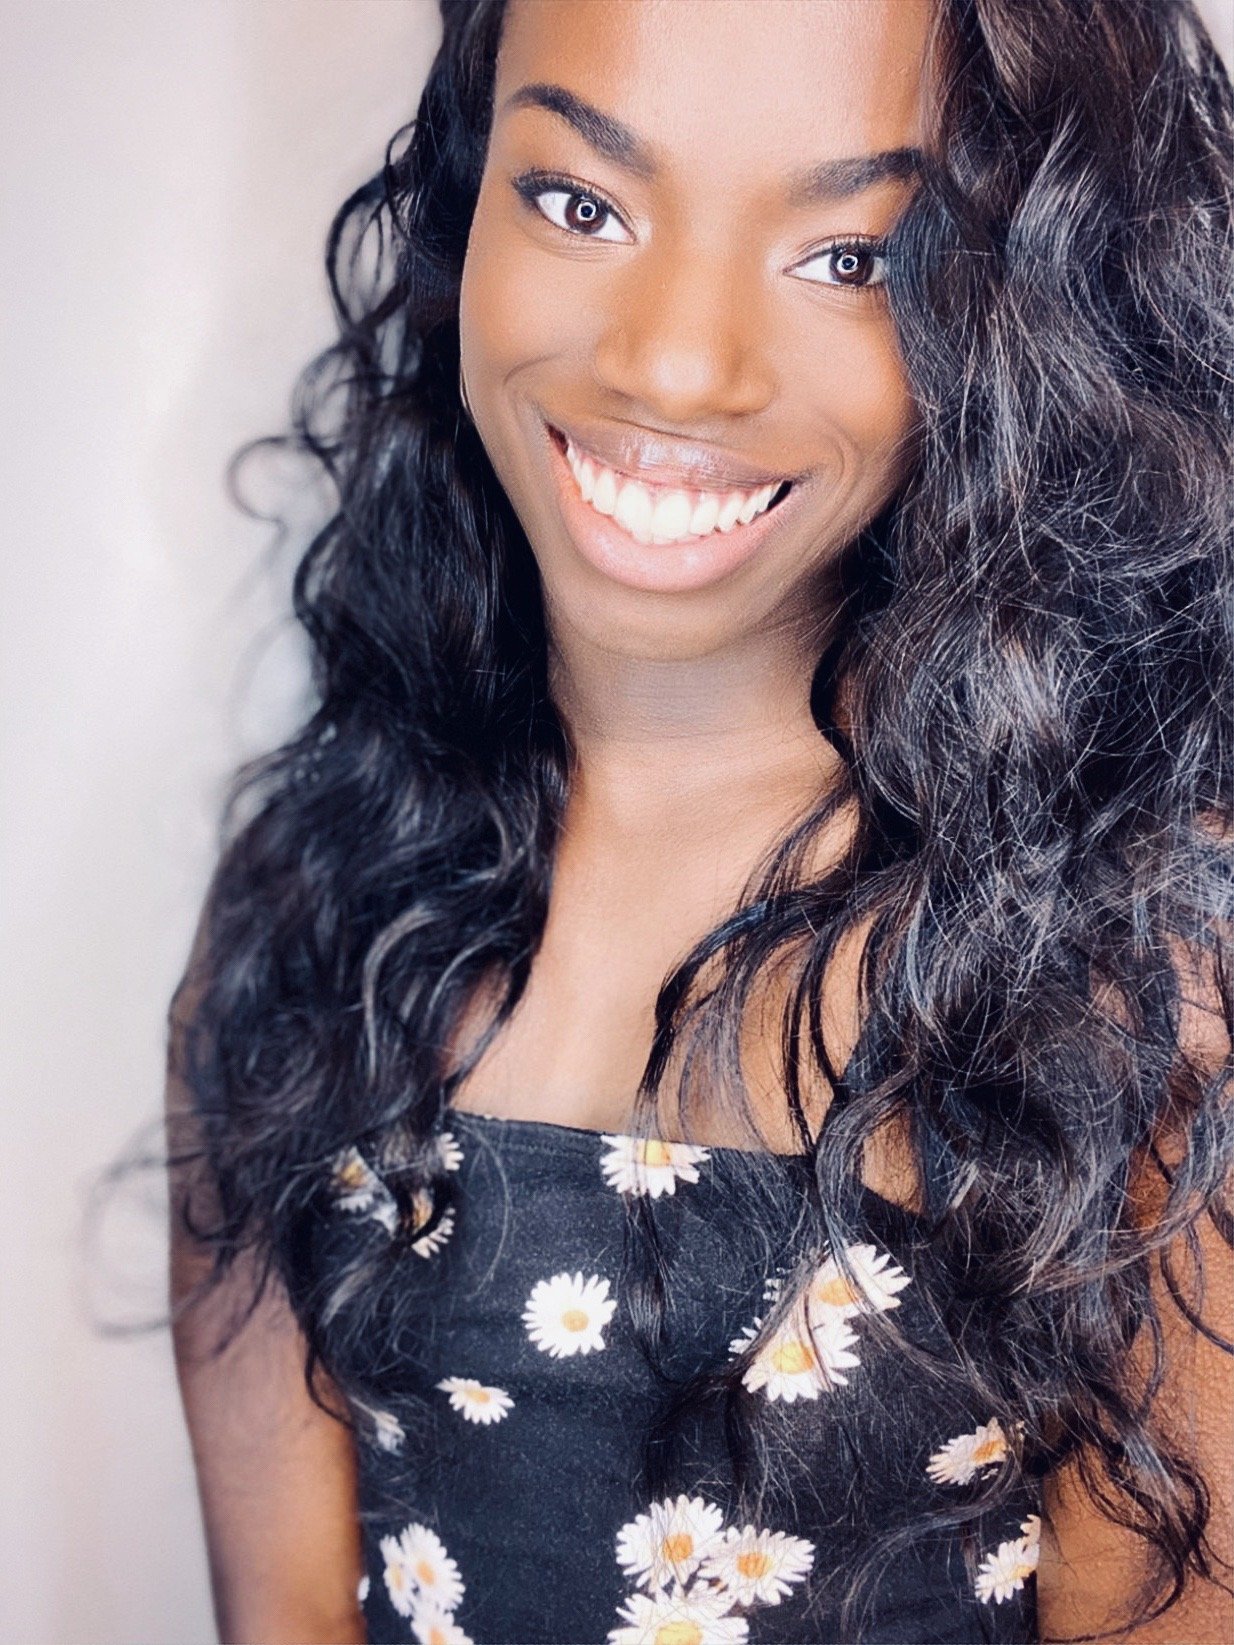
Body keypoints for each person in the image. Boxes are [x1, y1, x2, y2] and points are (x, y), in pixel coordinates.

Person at [165, 1, 1234, 1641]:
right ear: (461, 198)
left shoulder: (1134, 982)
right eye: (580, 203)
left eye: (853, 255)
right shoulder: (317, 907)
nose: (674, 360)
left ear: (1024, 311)